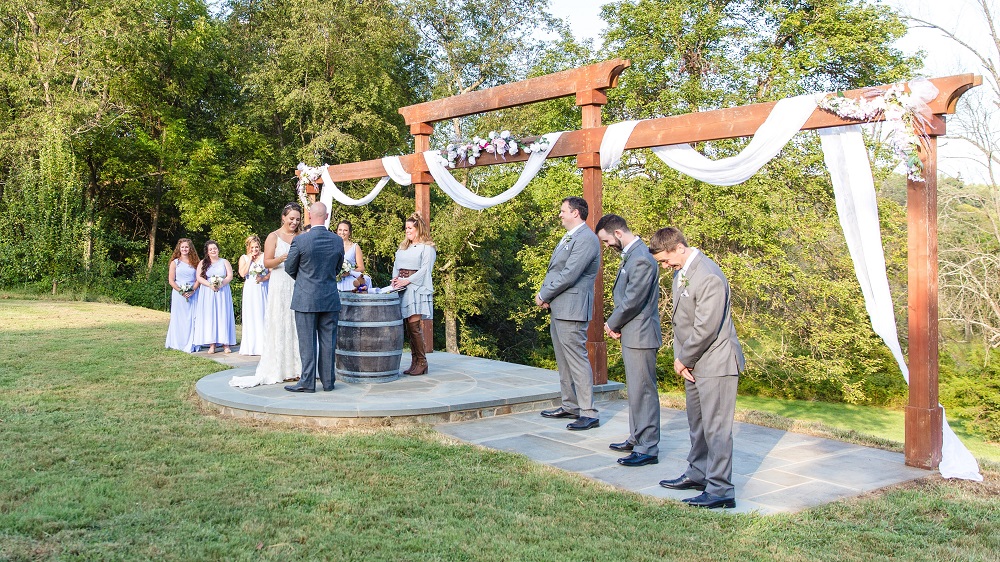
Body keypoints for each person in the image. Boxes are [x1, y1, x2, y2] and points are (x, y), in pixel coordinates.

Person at [649, 227, 745, 509]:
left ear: (679, 247)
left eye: (666, 261)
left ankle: (721, 490)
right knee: (698, 424)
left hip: (716, 362)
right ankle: (698, 473)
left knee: (717, 428)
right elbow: (683, 322)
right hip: (694, 363)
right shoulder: (684, 272)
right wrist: (685, 361)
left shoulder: (708, 276)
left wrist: (683, 359)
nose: (666, 267)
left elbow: (706, 327)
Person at [595, 214, 663, 467]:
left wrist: (612, 323)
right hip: (633, 332)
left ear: (618, 234)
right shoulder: (633, 255)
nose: (607, 246)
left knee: (643, 391)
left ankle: (648, 448)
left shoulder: (642, 259)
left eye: (607, 241)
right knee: (635, 390)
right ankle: (637, 437)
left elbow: (633, 299)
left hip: (642, 334)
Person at [535, 196, 602, 431]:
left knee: (576, 359)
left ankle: (588, 412)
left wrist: (544, 294)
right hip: (560, 306)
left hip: (572, 309)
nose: (560, 214)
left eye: (563, 211)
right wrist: (548, 297)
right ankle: (570, 405)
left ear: (576, 213)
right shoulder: (569, 237)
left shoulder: (586, 239)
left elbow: (570, 274)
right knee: (563, 360)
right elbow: (556, 269)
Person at [229, 203, 303, 388]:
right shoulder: (273, 236)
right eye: (291, 218)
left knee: (296, 323)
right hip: (279, 282)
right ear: (283, 217)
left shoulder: (301, 236)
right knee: (280, 321)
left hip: (297, 282)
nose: (294, 222)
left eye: (297, 219)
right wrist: (282, 258)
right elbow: (268, 262)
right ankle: (280, 368)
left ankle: (298, 368)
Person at [284, 202, 344, 393]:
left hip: (306, 298)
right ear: (326, 217)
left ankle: (307, 382)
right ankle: (328, 382)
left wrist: (304, 281)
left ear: (309, 215)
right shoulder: (337, 241)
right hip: (329, 297)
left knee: (307, 342)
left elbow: (289, 268)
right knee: (328, 341)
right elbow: (337, 268)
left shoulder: (301, 241)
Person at [390, 212, 437, 376]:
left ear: (418, 229)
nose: (407, 230)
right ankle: (415, 361)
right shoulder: (403, 247)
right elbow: (396, 266)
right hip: (402, 288)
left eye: (410, 228)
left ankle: (422, 361)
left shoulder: (427, 248)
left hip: (416, 288)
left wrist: (407, 280)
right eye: (406, 228)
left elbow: (425, 270)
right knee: (408, 326)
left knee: (414, 324)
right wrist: (395, 280)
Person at [193, 239, 237, 354]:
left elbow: (230, 275)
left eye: (215, 248)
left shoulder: (224, 262)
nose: (213, 250)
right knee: (210, 316)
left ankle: (225, 344)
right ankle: (212, 344)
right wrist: (210, 285)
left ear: (218, 249)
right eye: (210, 249)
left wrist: (221, 284)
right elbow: (199, 277)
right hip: (208, 292)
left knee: (223, 315)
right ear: (207, 251)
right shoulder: (203, 263)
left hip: (222, 292)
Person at [165, 238, 201, 352]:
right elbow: (171, 280)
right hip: (178, 294)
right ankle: (178, 342)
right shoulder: (175, 263)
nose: (185, 249)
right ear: (179, 249)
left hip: (193, 293)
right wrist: (181, 291)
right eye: (182, 247)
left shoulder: (196, 262)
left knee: (192, 318)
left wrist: (193, 290)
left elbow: (199, 278)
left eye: (187, 247)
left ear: (190, 248)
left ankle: (192, 342)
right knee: (179, 318)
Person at [237, 234, 269, 356]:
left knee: (263, 314)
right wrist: (250, 259)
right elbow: (242, 273)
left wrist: (263, 278)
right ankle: (251, 346)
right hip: (250, 289)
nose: (254, 250)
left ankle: (264, 345)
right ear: (248, 248)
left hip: (262, 288)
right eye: (252, 248)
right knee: (251, 315)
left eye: (256, 247)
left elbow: (271, 272)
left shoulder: (264, 256)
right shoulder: (244, 258)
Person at [335, 220, 371, 292]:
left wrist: (348, 272)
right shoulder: (332, 246)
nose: (342, 232)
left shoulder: (355, 247)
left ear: (349, 232)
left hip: (350, 281)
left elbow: (361, 268)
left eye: (345, 230)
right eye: (340, 230)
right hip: (335, 281)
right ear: (337, 231)